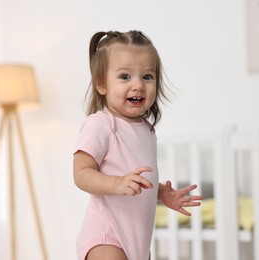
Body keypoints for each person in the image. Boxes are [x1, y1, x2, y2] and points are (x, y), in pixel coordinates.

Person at [73, 30, 202, 260]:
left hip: (138, 243)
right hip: (107, 235)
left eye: (147, 77)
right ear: (101, 84)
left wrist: (163, 194)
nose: (138, 85)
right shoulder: (102, 124)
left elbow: (139, 183)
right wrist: (116, 183)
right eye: (125, 77)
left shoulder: (146, 130)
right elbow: (81, 173)